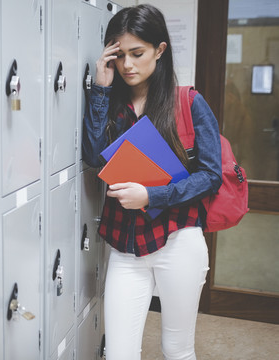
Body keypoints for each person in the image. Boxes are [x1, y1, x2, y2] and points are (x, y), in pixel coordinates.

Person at [82, 4, 222, 360]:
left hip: (179, 241)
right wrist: (100, 89)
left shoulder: (188, 103)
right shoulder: (112, 101)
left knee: (177, 349)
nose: (128, 65)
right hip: (125, 246)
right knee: (119, 353)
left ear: (160, 51)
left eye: (137, 53)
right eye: (120, 54)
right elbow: (95, 157)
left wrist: (151, 194)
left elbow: (211, 176)